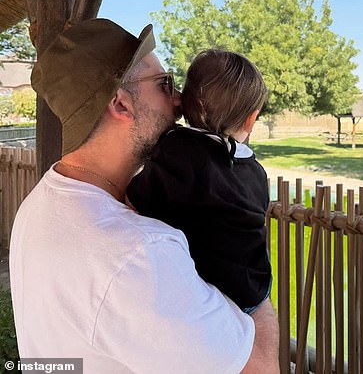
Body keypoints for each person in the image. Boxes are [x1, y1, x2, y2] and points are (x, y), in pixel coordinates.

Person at [9, 19, 279, 373]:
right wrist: (256, 290)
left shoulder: (43, 201)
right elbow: (259, 366)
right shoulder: (136, 253)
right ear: (121, 104)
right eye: (165, 84)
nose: (181, 100)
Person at [127, 49, 271, 314]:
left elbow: (136, 200)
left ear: (183, 101)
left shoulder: (177, 150)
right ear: (251, 119)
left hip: (208, 286)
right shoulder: (255, 171)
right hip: (254, 287)